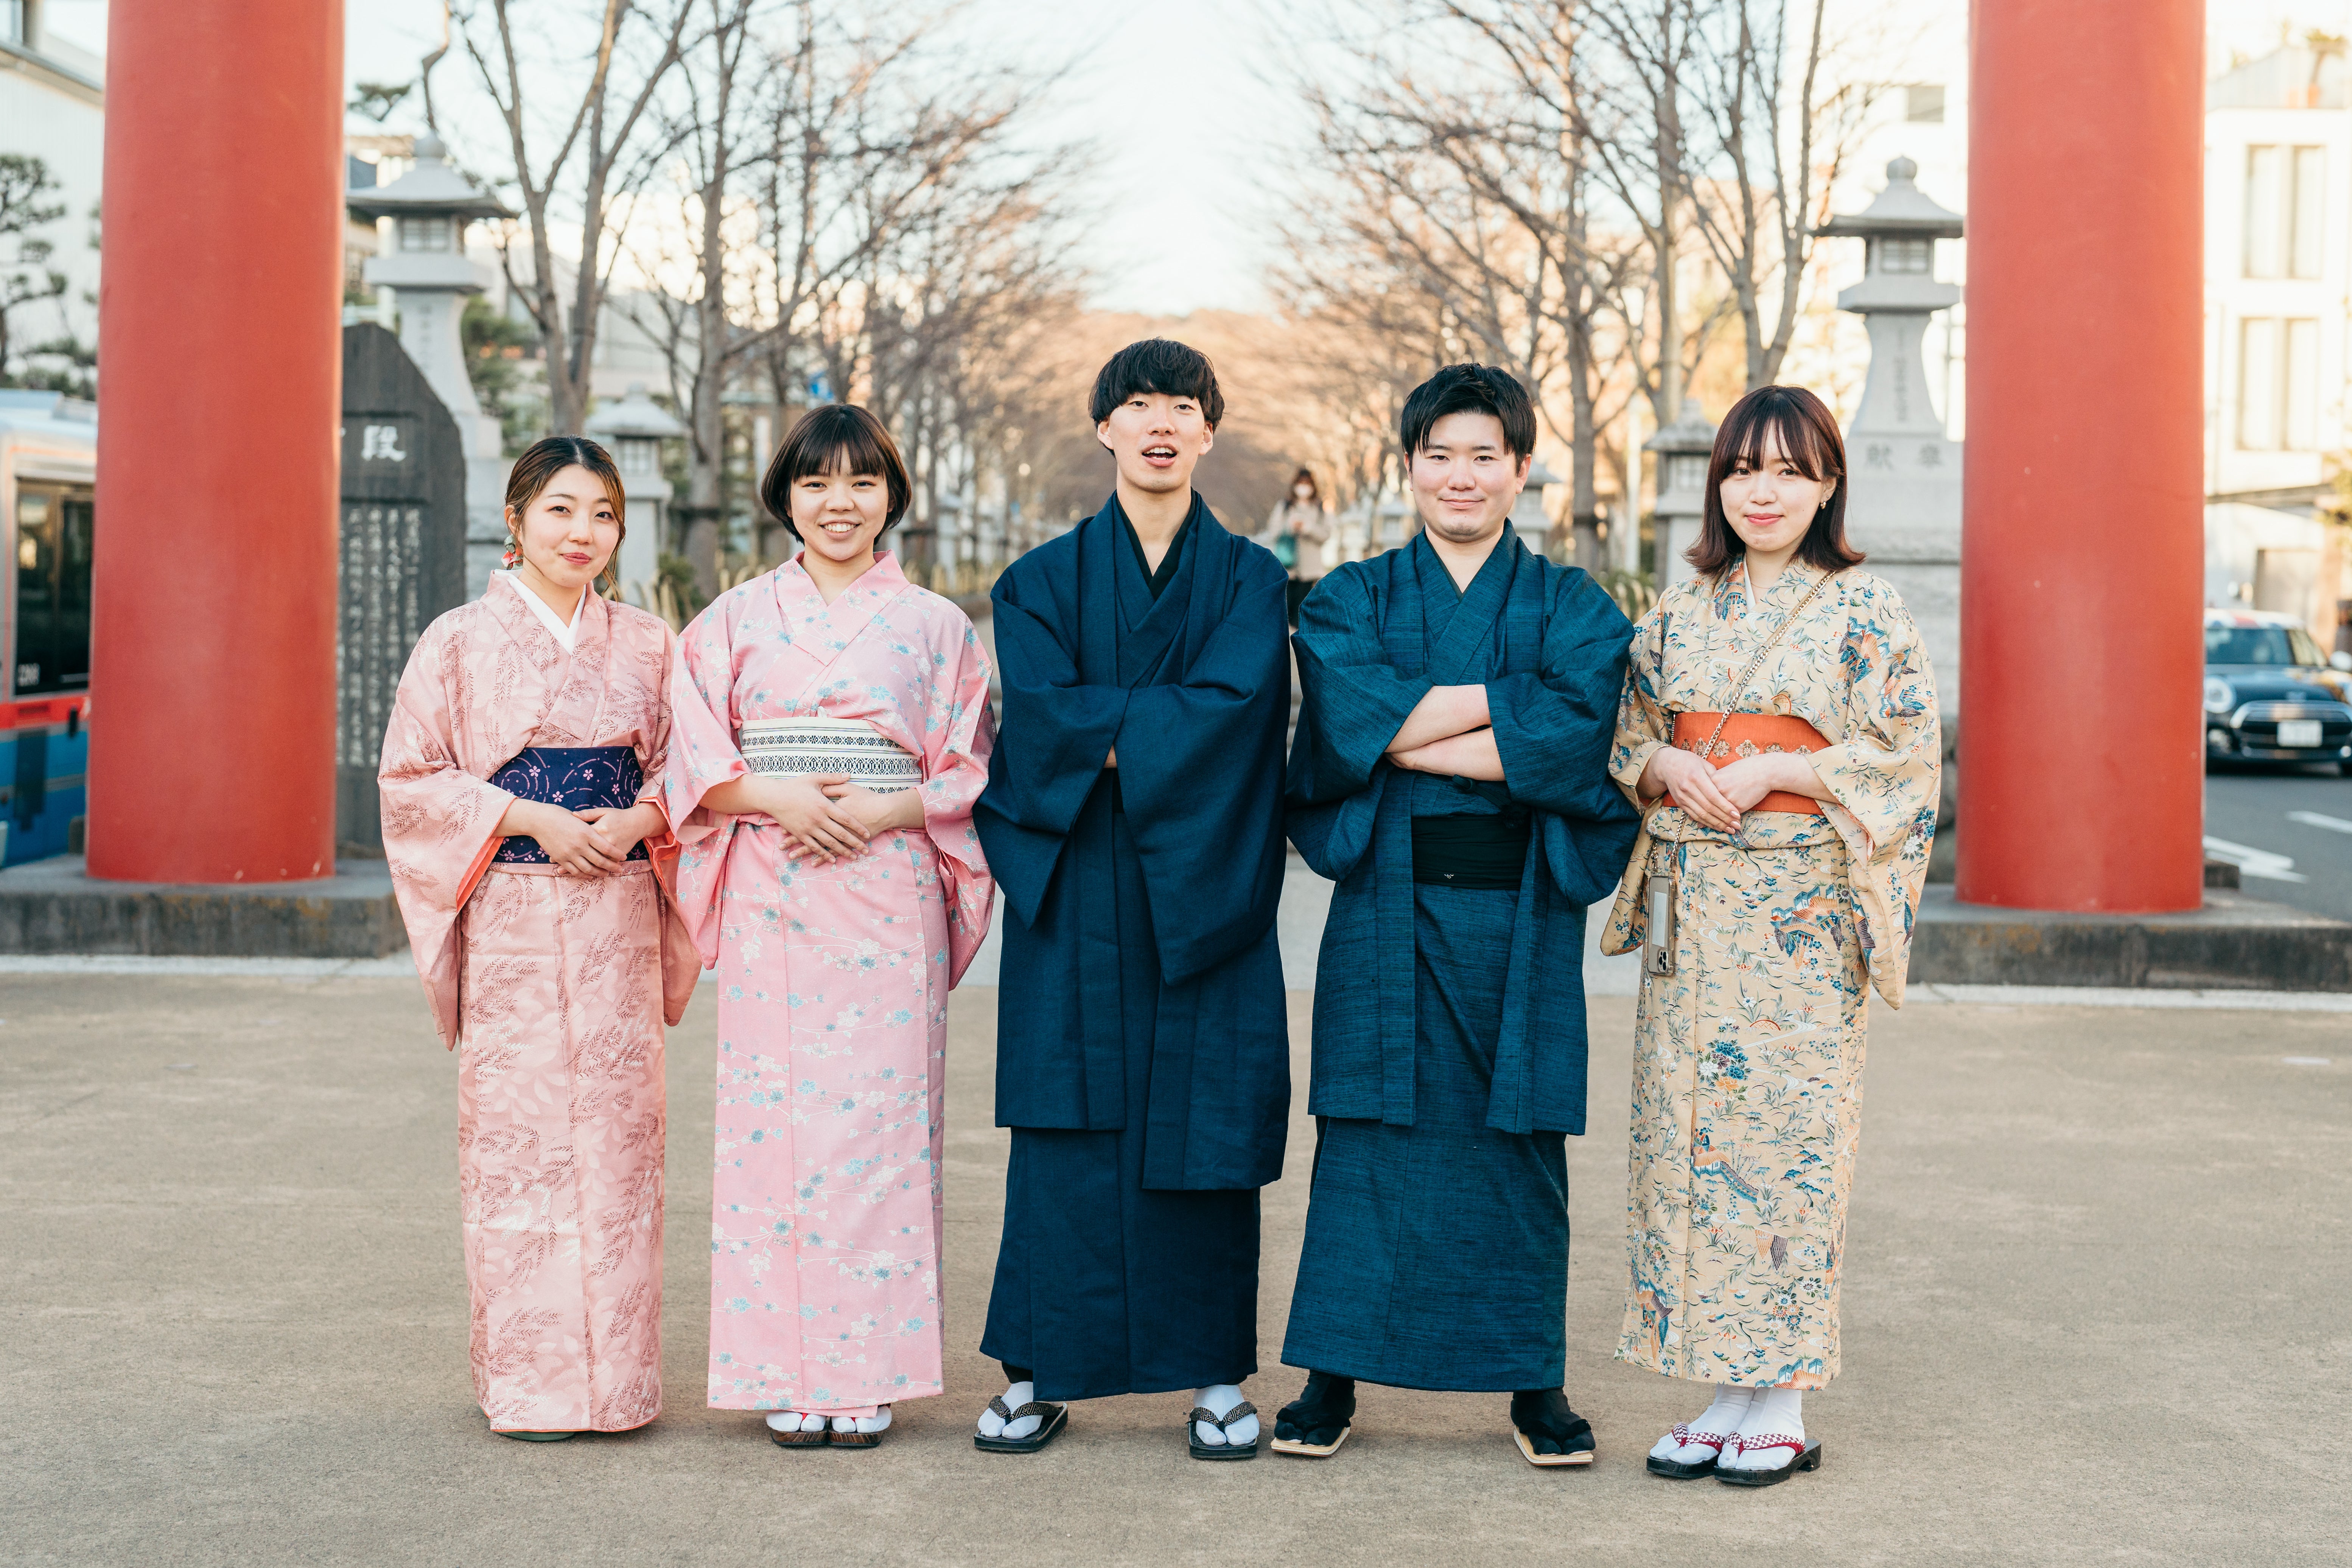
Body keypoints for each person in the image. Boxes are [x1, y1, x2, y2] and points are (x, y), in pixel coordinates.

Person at [1275, 364, 1639, 1467]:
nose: (1461, 476)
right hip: (1386, 908)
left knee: (1516, 1140)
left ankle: (1534, 1384)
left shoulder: (1575, 606)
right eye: (1439, 455)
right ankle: (1331, 1375)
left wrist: (1405, 728)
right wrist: (1514, 721)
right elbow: (1350, 721)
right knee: (1365, 1136)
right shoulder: (1349, 598)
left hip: (1518, 917)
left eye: (1485, 455)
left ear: (1521, 470)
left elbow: (1578, 740)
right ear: (1410, 467)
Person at [1601, 384, 1939, 1487]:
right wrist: (1662, 761)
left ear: (1828, 486)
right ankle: (1721, 1386)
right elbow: (1628, 732)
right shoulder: (1677, 608)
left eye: (1791, 471)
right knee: (1685, 1142)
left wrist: (1782, 768)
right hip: (1692, 905)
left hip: (1797, 918)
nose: (1764, 491)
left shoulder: (1864, 610)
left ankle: (1781, 1395)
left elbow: (1905, 759)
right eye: (1745, 468)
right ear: (1719, 484)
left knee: (1787, 1144)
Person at [971, 338, 1291, 1460]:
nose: (1160, 423)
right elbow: (1041, 724)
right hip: (1077, 894)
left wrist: (1104, 728)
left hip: (1204, 894)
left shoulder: (1251, 579)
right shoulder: (1037, 582)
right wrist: (1157, 727)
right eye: (1139, 404)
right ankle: (1040, 1370)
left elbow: (1239, 716)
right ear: (1103, 426)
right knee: (1066, 1129)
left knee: (1203, 1128)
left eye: (1182, 406)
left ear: (1209, 430)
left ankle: (1213, 1375)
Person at [660, 404, 996, 1451]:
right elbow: (688, 762)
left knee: (882, 1130)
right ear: (786, 498)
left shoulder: (937, 627)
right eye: (815, 483)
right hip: (775, 881)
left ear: (892, 496)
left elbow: (972, 769)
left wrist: (890, 810)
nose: (838, 503)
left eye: (861, 482)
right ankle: (782, 1369)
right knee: (773, 1132)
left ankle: (868, 1371)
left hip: (888, 886)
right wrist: (777, 796)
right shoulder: (730, 620)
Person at [379, 435, 700, 1440]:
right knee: (518, 1150)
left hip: (618, 907)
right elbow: (411, 779)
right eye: (561, 508)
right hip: (512, 910)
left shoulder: (648, 643)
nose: (583, 532)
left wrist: (640, 819)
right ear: (516, 519)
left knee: (618, 1145)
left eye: (603, 513)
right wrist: (529, 818)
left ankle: (620, 1388)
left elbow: (689, 769)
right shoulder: (458, 641)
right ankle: (531, 1387)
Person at [1264, 467, 1335, 627]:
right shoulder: (1285, 505)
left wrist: (1308, 528)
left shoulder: (1320, 507)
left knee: (1304, 614)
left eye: (1307, 484)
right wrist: (1290, 527)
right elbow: (1273, 531)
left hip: (1311, 571)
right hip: (1288, 568)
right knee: (1286, 614)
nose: (1304, 487)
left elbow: (1326, 534)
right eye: (1301, 483)